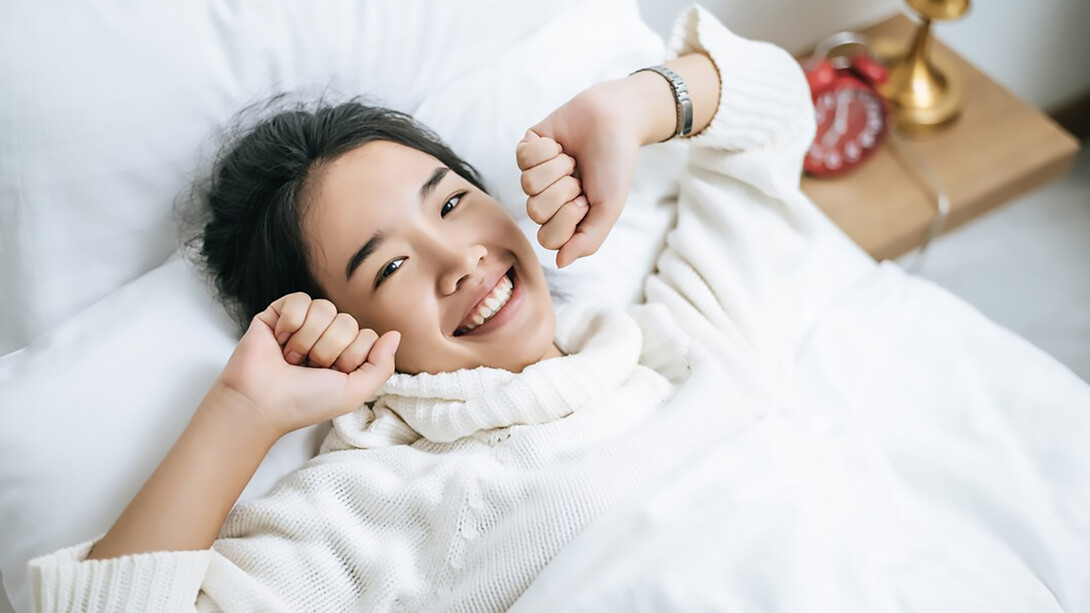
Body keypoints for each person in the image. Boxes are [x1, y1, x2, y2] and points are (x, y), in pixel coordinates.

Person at [29, 6, 875, 610]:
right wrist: (240, 414)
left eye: (451, 201)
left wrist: (638, 104)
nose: (459, 257)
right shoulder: (372, 501)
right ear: (337, 330)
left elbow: (771, 122)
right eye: (389, 262)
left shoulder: (674, 342)